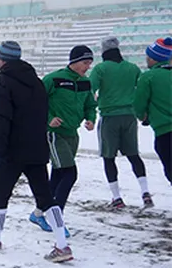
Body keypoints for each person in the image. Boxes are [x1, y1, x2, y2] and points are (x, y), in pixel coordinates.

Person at [0, 41, 73, 263]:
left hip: (11, 150)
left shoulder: (2, 84)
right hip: (36, 149)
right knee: (45, 197)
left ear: (1, 60)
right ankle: (62, 245)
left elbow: (1, 120)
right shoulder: (36, 82)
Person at [29, 45, 97, 236]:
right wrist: (49, 117)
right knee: (69, 173)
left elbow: (90, 105)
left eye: (90, 63)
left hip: (72, 134)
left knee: (58, 176)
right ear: (74, 61)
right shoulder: (54, 79)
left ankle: (38, 213)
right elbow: (37, 101)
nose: (87, 67)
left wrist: (91, 118)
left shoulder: (86, 83)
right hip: (53, 133)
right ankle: (55, 218)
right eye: (85, 63)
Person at [89, 36, 151, 209]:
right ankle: (145, 192)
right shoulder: (132, 68)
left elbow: (90, 90)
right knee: (133, 155)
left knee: (108, 158)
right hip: (129, 116)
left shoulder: (100, 69)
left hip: (109, 117)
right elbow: (143, 90)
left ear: (103, 51)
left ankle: (117, 198)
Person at [134, 37, 172, 186]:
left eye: (148, 57)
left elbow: (139, 104)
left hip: (165, 132)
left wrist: (142, 116)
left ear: (154, 58)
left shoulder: (148, 77)